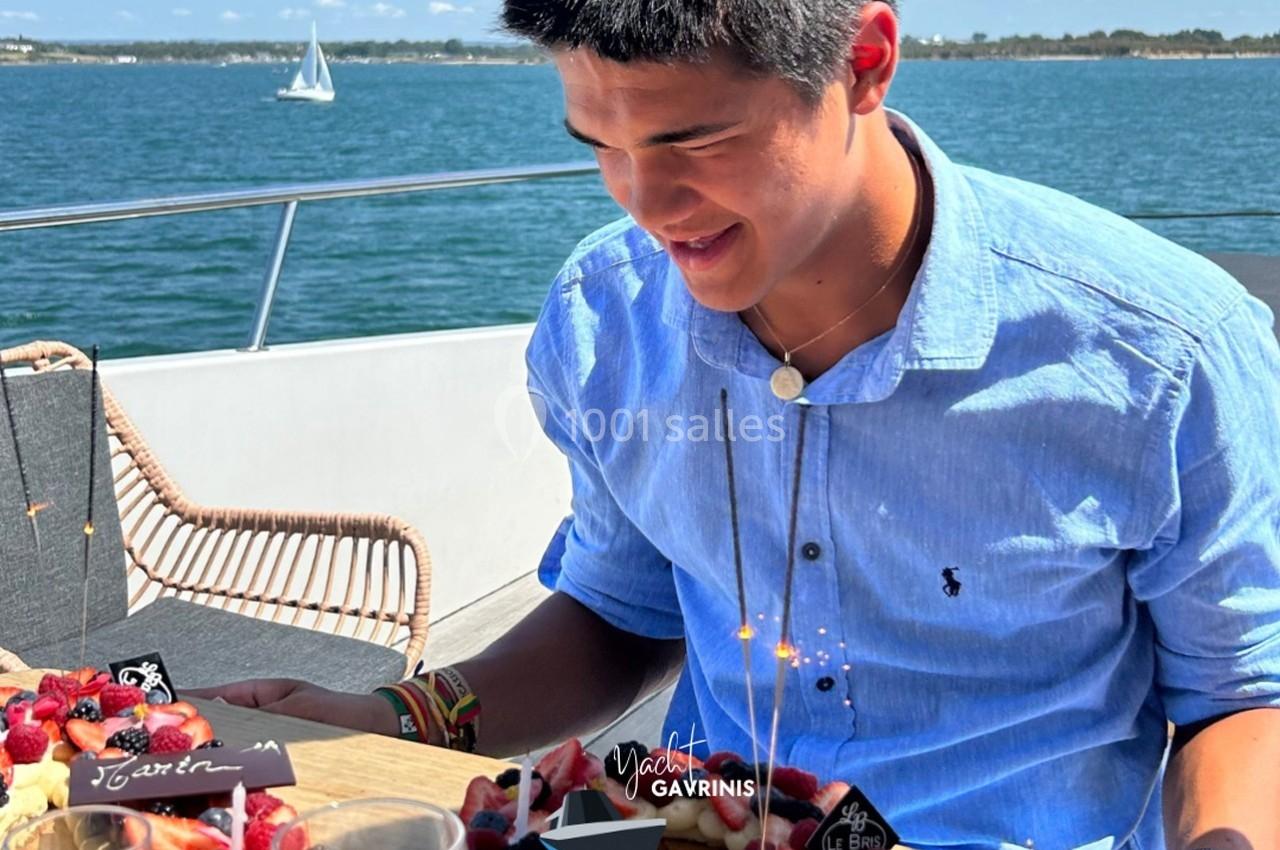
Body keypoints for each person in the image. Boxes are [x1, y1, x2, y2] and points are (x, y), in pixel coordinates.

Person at [190, 2, 1280, 848]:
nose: (643, 204)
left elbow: (1242, 696)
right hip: (677, 821)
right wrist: (394, 715)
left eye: (695, 140)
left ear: (862, 61)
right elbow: (622, 612)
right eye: (598, 146)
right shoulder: (602, 317)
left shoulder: (1165, 355)